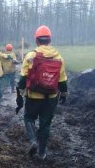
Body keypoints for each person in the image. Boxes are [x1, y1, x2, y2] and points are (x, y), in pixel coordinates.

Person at [16, 25, 68, 160]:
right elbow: (62, 80)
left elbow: (22, 79)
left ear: (37, 40)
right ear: (49, 40)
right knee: (45, 125)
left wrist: (20, 95)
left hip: (33, 96)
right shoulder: (59, 57)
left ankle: (33, 141)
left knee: (29, 118)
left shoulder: (31, 56)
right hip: (51, 97)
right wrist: (64, 94)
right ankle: (41, 153)